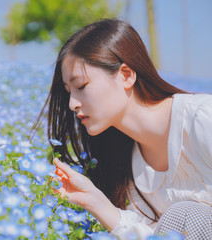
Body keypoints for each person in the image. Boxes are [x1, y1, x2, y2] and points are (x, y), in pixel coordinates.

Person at [34, 18, 212, 239]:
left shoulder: (204, 119)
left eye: (81, 86)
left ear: (126, 75)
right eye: (69, 91)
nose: (72, 104)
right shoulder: (124, 165)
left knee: (187, 214)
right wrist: (94, 200)